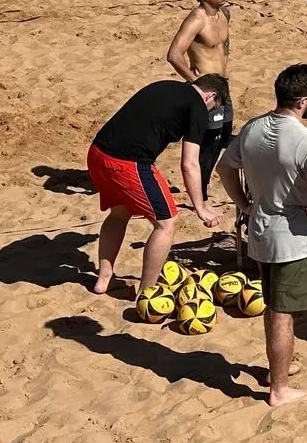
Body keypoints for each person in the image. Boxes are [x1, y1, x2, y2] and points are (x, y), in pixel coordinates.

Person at [218, 63, 307, 408]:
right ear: (304, 101)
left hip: (260, 230)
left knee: (274, 306)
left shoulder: (254, 127)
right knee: (283, 312)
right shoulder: (306, 140)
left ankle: (278, 370)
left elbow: (226, 166)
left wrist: (243, 203)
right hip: (292, 237)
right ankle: (279, 389)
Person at [87, 74, 228, 296]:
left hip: (97, 154)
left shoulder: (164, 85)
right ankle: (147, 293)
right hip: (128, 163)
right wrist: (201, 208)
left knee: (119, 213)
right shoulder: (198, 106)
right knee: (167, 222)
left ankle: (104, 279)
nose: (210, 112)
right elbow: (189, 164)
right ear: (211, 96)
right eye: (213, 107)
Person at [166, 0, 233, 198]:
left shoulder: (223, 14)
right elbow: (174, 54)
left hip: (222, 85)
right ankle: (200, 193)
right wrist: (197, 82)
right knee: (208, 142)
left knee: (224, 136)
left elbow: (222, 46)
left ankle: (202, 183)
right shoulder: (196, 19)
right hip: (206, 90)